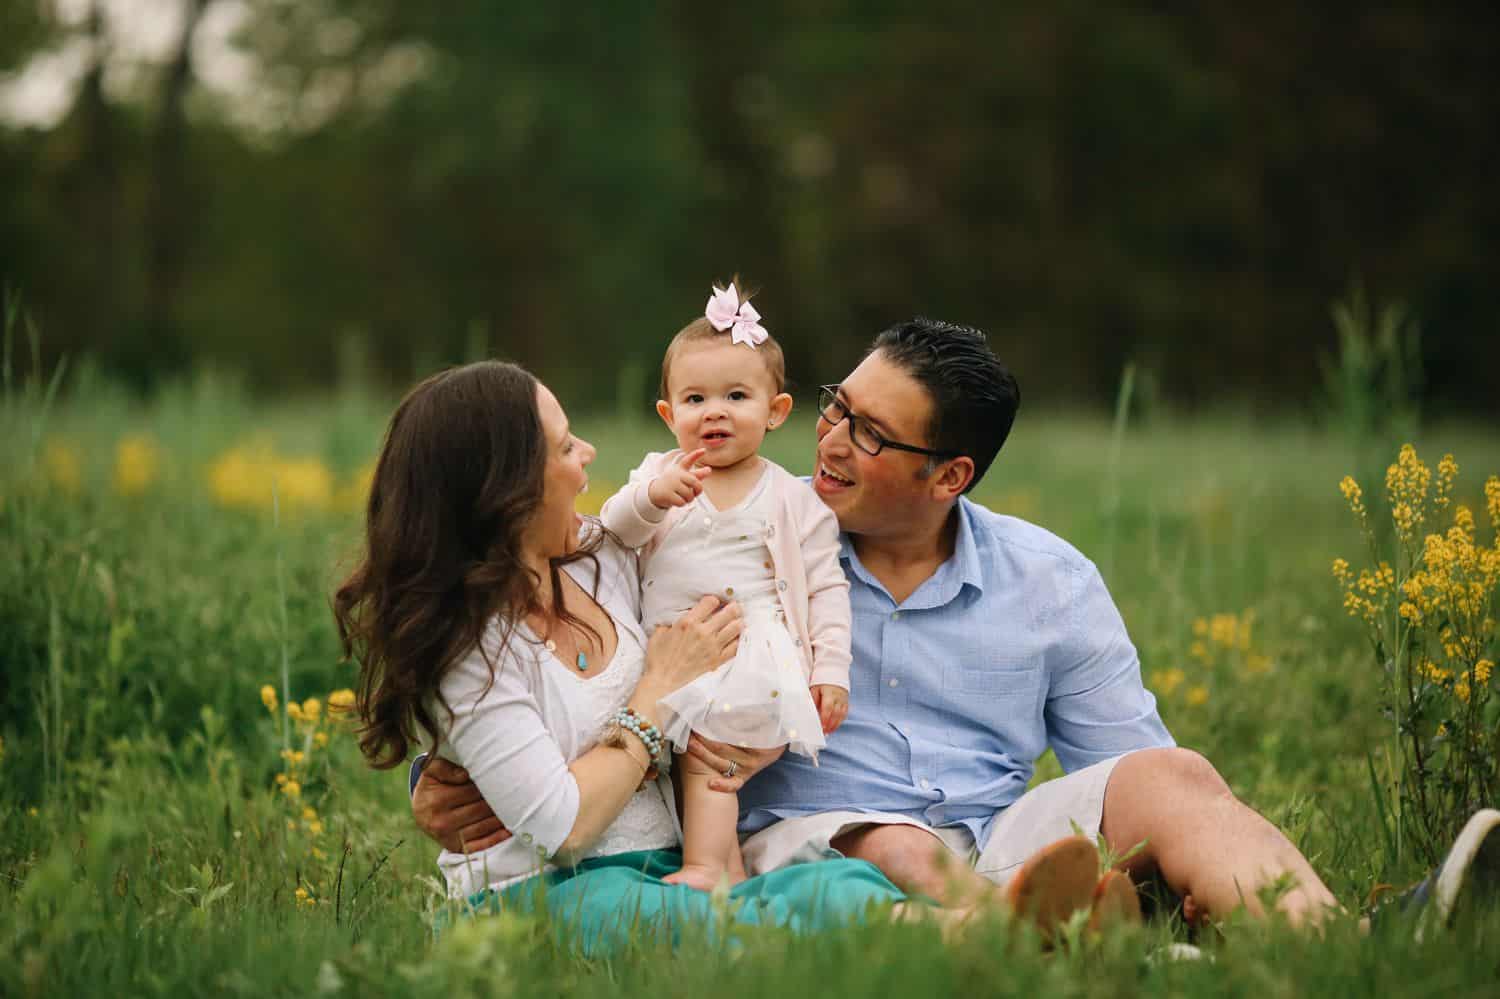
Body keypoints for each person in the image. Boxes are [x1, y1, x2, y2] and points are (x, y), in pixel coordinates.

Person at [420, 319, 1499, 932]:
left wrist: (1163, 842)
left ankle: (1344, 941)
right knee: (875, 857)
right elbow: (533, 605)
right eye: (835, 406)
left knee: (1175, 775)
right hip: (820, 845)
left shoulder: (1047, 580)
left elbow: (1129, 770)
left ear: (950, 475)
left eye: (869, 434)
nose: (830, 444)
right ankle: (1085, 946)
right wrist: (440, 777)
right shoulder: (751, 538)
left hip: (991, 845)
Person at [331, 360, 914, 955]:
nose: (587, 455)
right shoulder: (469, 647)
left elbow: (728, 566)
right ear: (508, 488)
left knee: (836, 885)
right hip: (539, 895)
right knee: (701, 922)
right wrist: (658, 687)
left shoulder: (600, 561)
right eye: (564, 446)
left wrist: (757, 715)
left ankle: (976, 931)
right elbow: (563, 829)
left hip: (664, 868)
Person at [598, 282, 851, 892]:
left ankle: (708, 865)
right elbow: (612, 529)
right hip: (671, 648)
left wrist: (832, 671)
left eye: (736, 396)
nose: (714, 411)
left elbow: (825, 588)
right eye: (695, 398)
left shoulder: (793, 499)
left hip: (748, 647)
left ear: (776, 411)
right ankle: (730, 868)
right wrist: (651, 499)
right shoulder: (662, 475)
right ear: (668, 415)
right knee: (679, 757)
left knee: (706, 755)